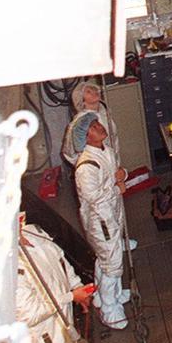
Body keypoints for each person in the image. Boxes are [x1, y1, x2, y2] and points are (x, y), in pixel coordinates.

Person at [73, 112, 129, 330]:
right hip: (100, 219)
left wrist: (122, 174)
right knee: (112, 263)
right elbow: (93, 196)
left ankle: (108, 293)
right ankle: (109, 308)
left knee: (107, 256)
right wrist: (116, 188)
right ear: (86, 137)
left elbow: (117, 173)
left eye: (98, 123)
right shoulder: (86, 166)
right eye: (94, 127)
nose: (100, 127)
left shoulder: (107, 151)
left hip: (112, 212)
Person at [63, 79, 121, 169]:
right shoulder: (81, 122)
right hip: (96, 166)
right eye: (88, 92)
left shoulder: (104, 114)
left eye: (94, 89)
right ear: (82, 100)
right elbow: (69, 152)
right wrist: (88, 166)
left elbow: (114, 139)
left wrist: (114, 161)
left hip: (111, 161)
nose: (94, 92)